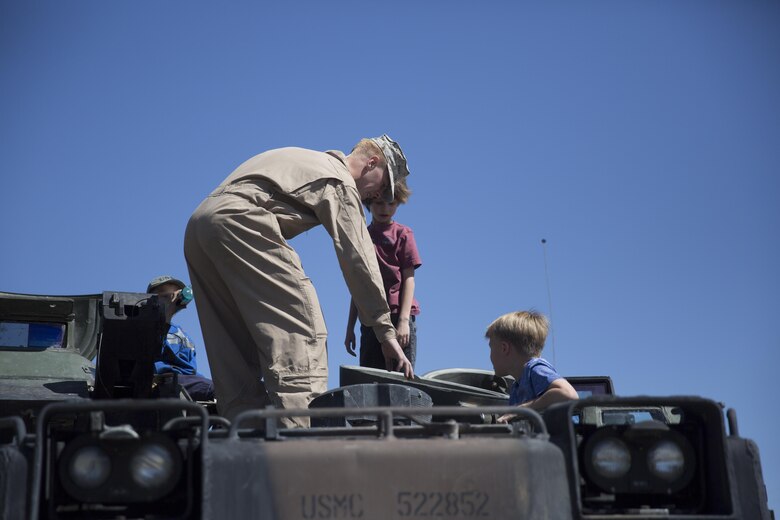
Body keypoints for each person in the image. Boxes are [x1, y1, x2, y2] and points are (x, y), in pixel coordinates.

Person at [184, 135, 414, 427]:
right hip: (242, 220)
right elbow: (358, 256)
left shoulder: (304, 158)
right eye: (382, 185)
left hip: (200, 226)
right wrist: (385, 332)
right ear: (372, 163)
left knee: (233, 354)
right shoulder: (339, 178)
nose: (377, 196)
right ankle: (302, 445)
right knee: (301, 336)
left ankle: (245, 443)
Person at [344, 179, 422, 368]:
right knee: (371, 378)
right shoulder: (363, 236)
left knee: (402, 377)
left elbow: (409, 279)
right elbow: (359, 285)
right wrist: (350, 328)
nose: (385, 208)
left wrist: (403, 321)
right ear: (369, 202)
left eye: (391, 203)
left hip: (398, 313)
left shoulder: (403, 234)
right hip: (371, 317)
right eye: (379, 203)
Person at [485, 310, 577, 420]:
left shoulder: (535, 368)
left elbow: (568, 394)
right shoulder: (517, 385)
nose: (490, 356)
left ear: (504, 348)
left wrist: (520, 410)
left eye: (491, 348)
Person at [146, 275, 216, 401]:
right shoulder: (147, 327)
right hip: (165, 380)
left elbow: (191, 371)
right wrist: (165, 310)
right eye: (164, 294)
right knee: (217, 390)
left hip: (188, 381)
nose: (173, 297)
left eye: (176, 292)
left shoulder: (181, 332)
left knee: (225, 390)